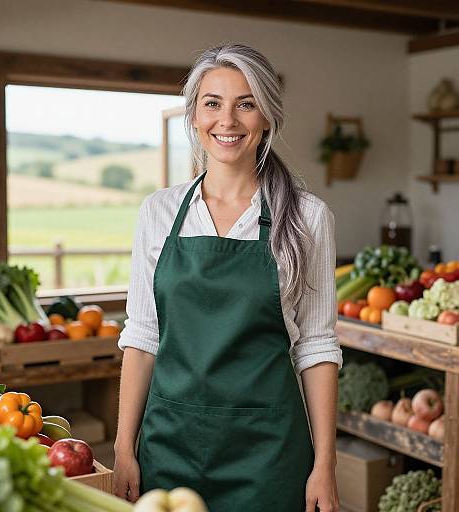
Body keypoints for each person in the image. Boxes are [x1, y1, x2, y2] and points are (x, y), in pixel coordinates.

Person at [113, 43, 342, 512]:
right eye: (212, 103)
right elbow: (141, 338)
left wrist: (325, 464)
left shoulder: (306, 217)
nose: (228, 120)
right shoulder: (159, 212)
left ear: (267, 118)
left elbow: (316, 347)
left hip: (268, 452)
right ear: (194, 116)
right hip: (168, 445)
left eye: (246, 103)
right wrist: (122, 448)